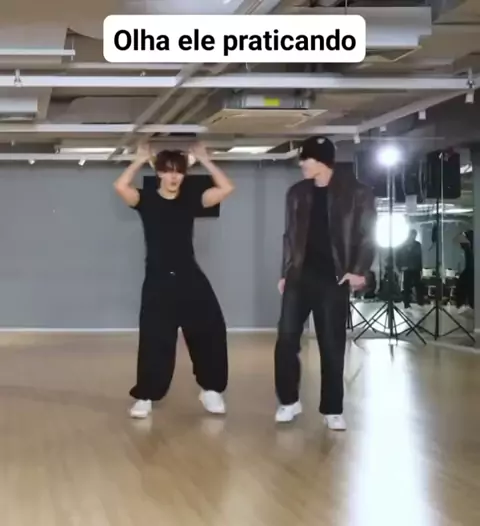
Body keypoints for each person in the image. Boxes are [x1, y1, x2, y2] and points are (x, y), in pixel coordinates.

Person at [114, 142, 234, 419]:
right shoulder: (146, 200)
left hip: (190, 278)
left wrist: (204, 159)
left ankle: (211, 389)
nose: (173, 177)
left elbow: (226, 188)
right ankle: (146, 395)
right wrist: (140, 159)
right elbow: (120, 186)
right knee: (155, 339)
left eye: (178, 172)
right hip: (158, 282)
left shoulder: (190, 199)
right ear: (158, 173)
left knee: (211, 330)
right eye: (168, 171)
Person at [274, 136, 376, 431]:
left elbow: (367, 235)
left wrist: (359, 271)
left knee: (331, 345)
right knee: (286, 341)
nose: (302, 164)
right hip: (299, 277)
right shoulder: (297, 193)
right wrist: (285, 272)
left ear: (321, 161)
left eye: (306, 159)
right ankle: (288, 401)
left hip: (334, 278)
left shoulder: (357, 193)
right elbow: (290, 236)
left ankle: (332, 409)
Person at [397, 229, 425, 308]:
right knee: (407, 286)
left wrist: (420, 268)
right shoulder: (403, 244)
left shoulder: (417, 245)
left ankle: (420, 301)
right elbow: (399, 256)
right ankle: (406, 303)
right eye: (412, 235)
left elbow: (419, 257)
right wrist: (400, 267)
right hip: (407, 268)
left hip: (415, 268)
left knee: (418, 285)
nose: (413, 237)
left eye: (414, 235)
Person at [456, 229, 474, 312]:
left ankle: (467, 304)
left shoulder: (469, 248)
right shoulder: (467, 249)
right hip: (469, 269)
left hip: (471, 270)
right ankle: (465, 304)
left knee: (467, 286)